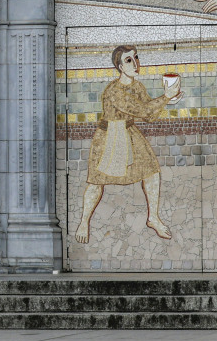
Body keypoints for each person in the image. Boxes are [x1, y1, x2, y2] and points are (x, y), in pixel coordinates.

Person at [75, 46, 178, 242]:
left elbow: (149, 115)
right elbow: (142, 109)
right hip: (110, 137)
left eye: (136, 58)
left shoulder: (137, 87)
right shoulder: (114, 91)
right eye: (129, 60)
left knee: (151, 171)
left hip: (130, 133)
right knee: (96, 182)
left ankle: (153, 218)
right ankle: (83, 222)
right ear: (120, 67)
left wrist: (166, 101)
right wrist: (165, 98)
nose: (136, 63)